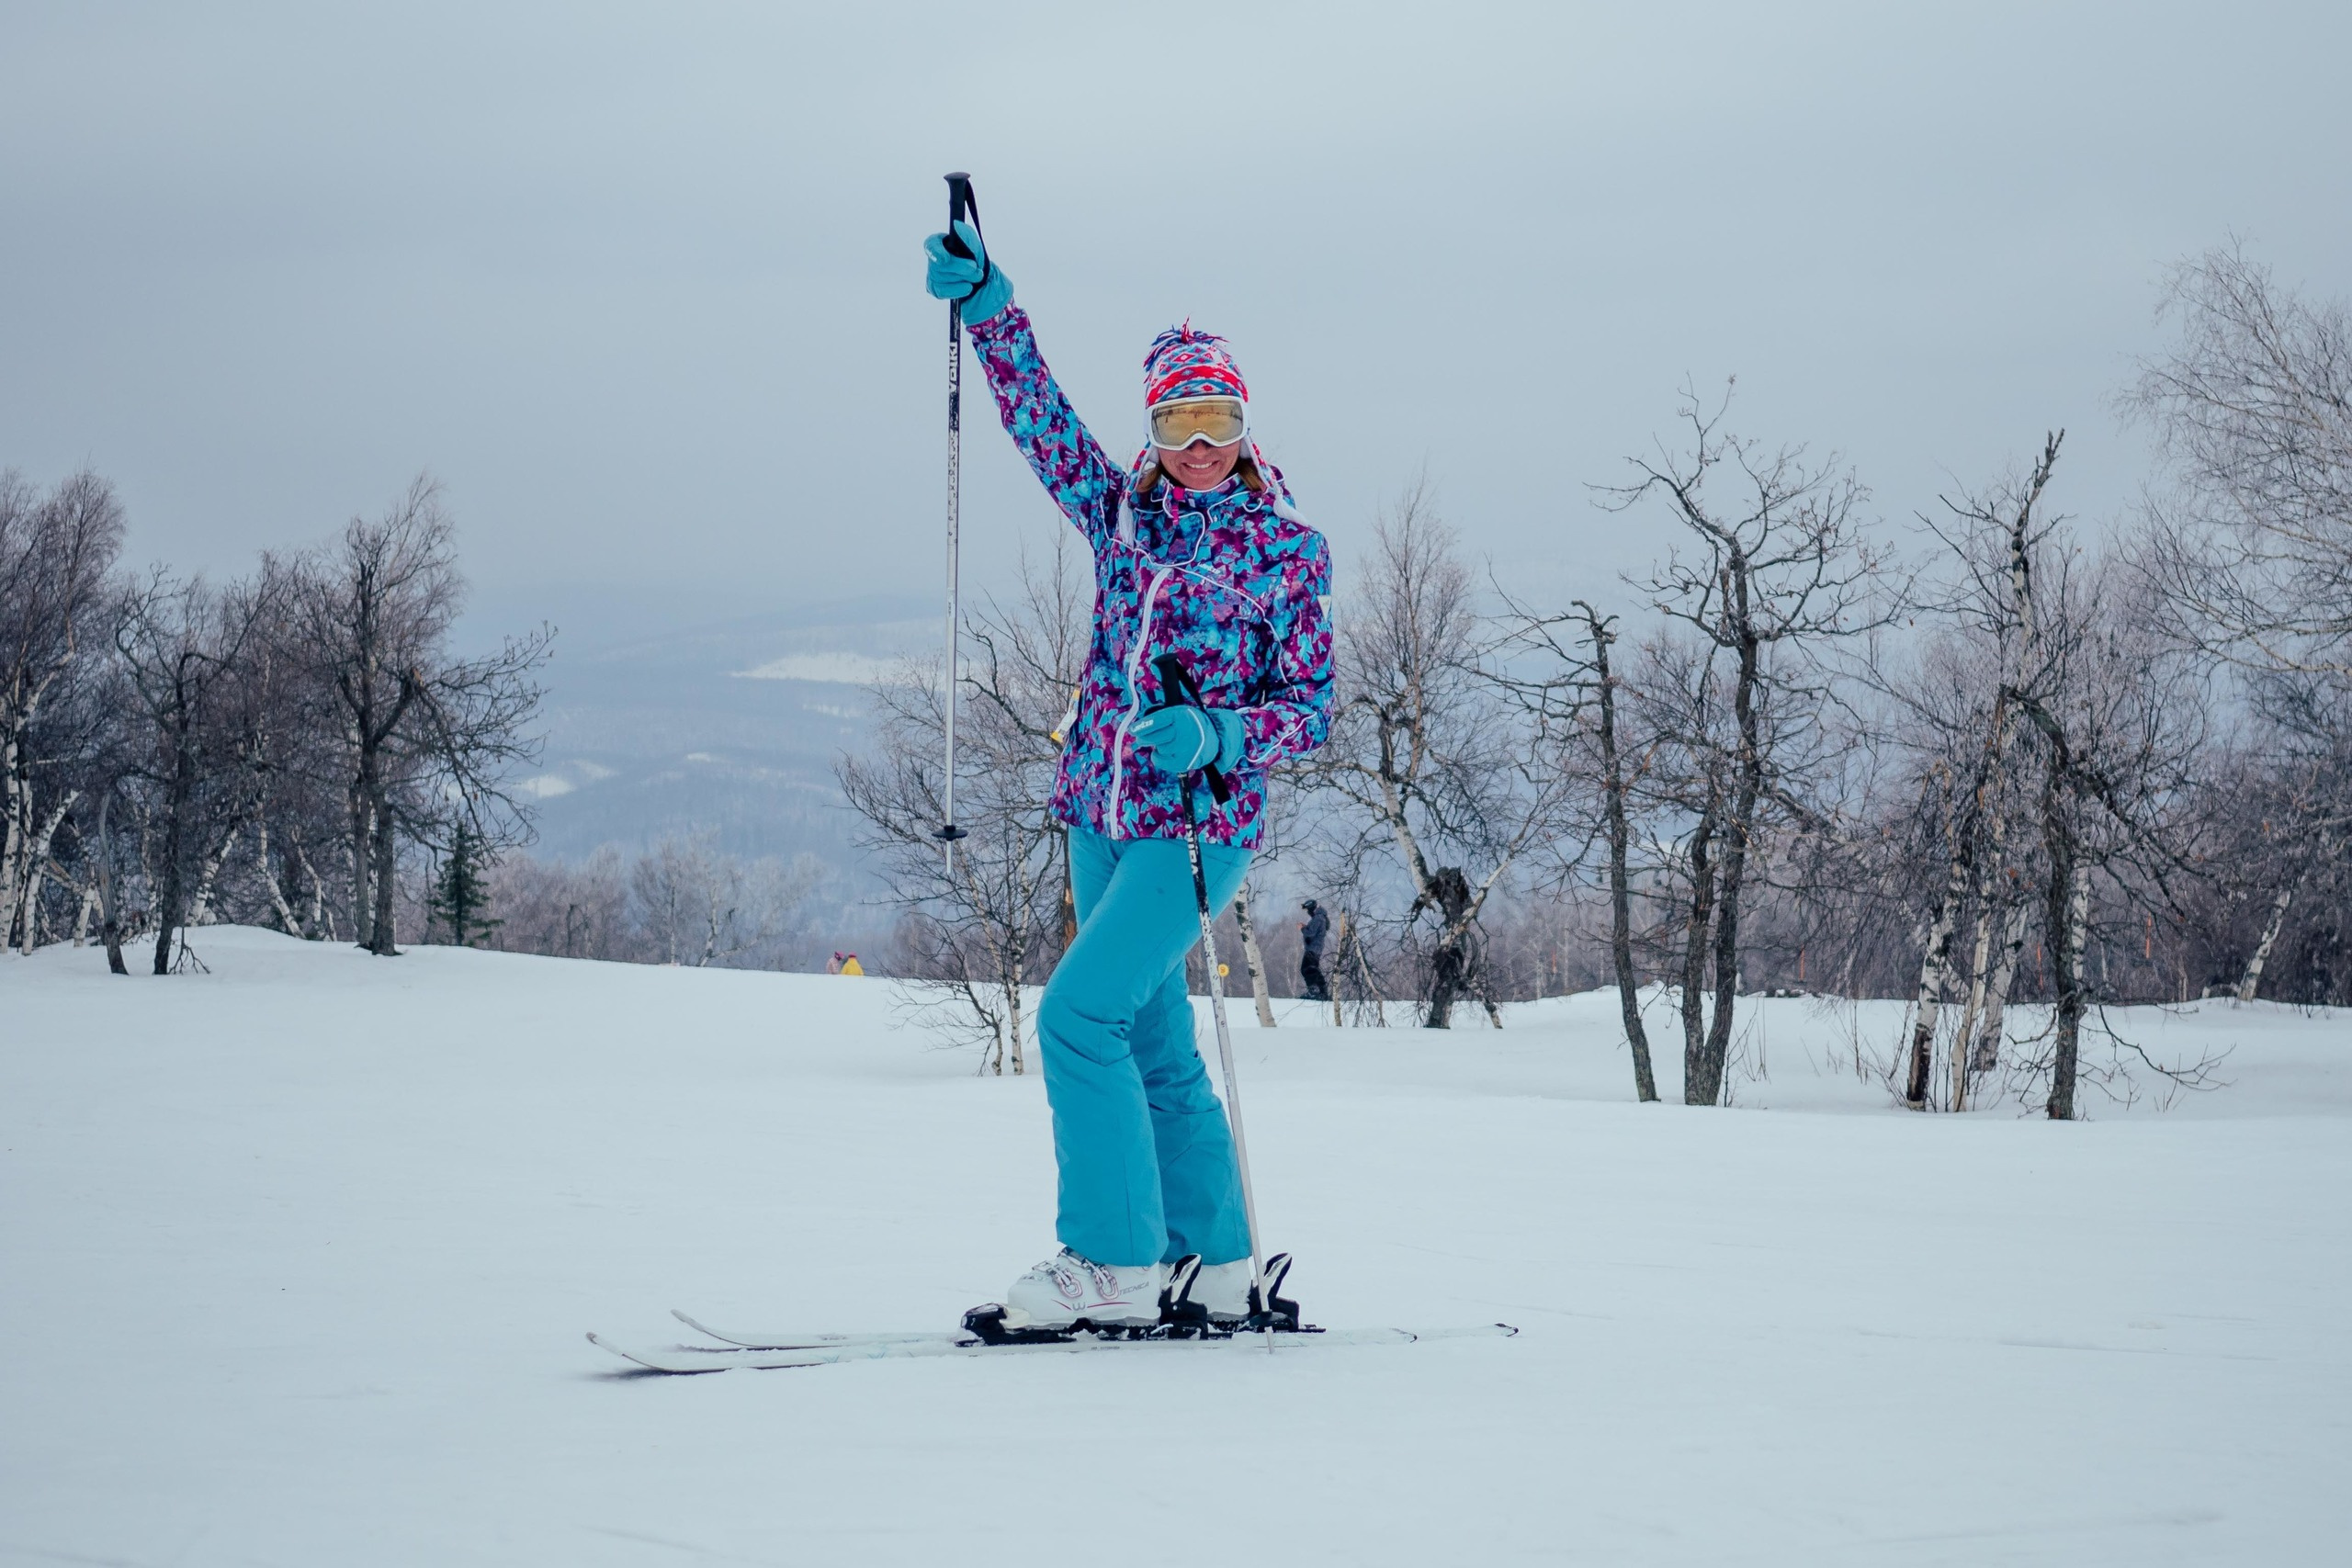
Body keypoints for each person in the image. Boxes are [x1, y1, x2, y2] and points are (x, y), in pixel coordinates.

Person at [925, 213, 1333, 1328]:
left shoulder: (1288, 550)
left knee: (1075, 1019)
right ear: (1151, 429)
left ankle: (1109, 1263)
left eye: (1218, 417)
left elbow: (1310, 712)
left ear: (1246, 425)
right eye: (1177, 418)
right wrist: (990, 312)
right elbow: (1041, 423)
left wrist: (1220, 736)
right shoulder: (1121, 519)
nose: (1199, 440)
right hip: (1097, 816)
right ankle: (1217, 1256)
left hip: (1194, 830)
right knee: (1149, 1032)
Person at [1298, 899, 1331, 1002]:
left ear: (1312, 908)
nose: (1307, 911)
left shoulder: (1318, 918)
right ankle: (1322, 992)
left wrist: (1302, 928)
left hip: (1313, 948)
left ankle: (1314, 991)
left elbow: (1311, 933)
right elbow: (1314, 930)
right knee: (1313, 969)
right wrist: (1306, 927)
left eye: (1308, 909)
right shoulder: (1320, 917)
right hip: (1315, 948)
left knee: (1307, 969)